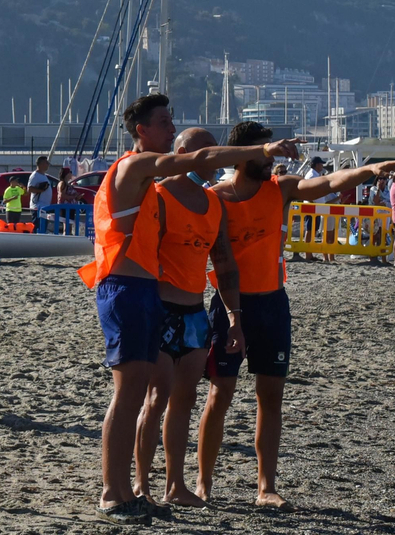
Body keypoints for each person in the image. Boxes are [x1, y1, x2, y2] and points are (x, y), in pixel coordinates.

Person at [76, 95, 302, 523]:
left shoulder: (158, 184)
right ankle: (114, 492)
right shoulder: (134, 165)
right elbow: (199, 156)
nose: (168, 127)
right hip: (125, 287)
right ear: (141, 130)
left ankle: (128, 490)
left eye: (170, 120)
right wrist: (261, 150)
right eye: (163, 122)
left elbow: (215, 249)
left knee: (146, 393)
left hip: (144, 291)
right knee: (129, 396)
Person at [195, 122, 395, 509]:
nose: (270, 158)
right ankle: (204, 482)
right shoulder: (216, 197)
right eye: (263, 151)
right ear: (243, 155)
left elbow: (329, 184)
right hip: (229, 305)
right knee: (219, 394)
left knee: (270, 396)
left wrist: (370, 171)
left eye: (271, 151)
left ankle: (265, 488)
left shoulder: (282, 188)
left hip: (273, 303)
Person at [133, 128, 243, 509]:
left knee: (184, 399)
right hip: (160, 309)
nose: (210, 162)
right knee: (156, 395)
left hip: (195, 312)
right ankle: (141, 484)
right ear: (182, 153)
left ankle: (176, 485)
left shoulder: (214, 203)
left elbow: (224, 263)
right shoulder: (159, 196)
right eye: (204, 154)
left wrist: (234, 316)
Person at [27, 155, 55, 222]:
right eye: (46, 163)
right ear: (41, 164)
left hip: (44, 206)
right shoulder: (35, 175)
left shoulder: (43, 175)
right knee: (37, 226)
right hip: (38, 206)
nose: (48, 165)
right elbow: (29, 189)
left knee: (43, 227)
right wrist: (41, 190)